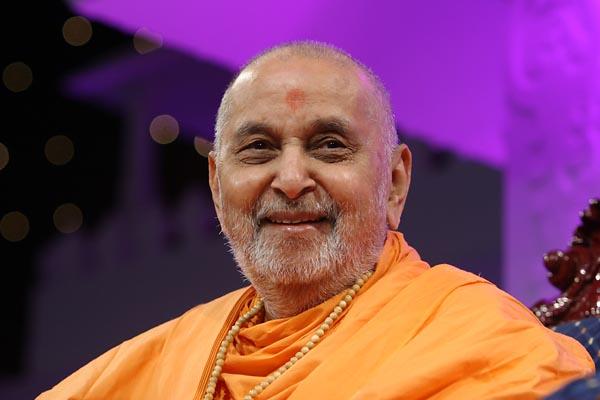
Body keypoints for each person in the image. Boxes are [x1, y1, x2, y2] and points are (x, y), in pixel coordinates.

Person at [38, 41, 593, 400]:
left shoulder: (478, 340)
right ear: (217, 187)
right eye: (258, 148)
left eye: (329, 146)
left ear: (395, 183)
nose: (290, 179)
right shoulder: (165, 356)